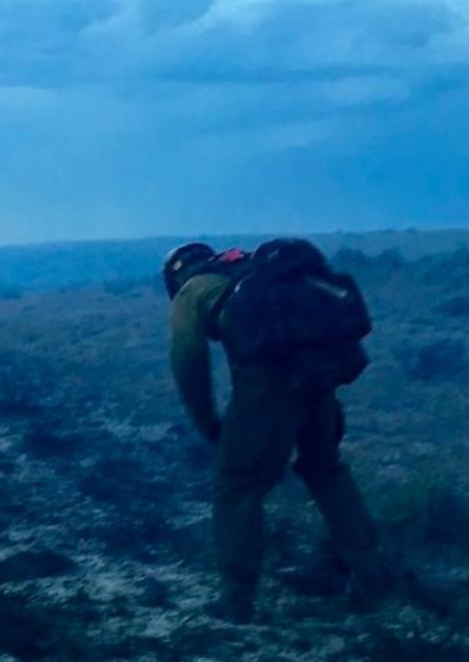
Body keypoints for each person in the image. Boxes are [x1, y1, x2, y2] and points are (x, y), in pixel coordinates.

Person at [164, 239, 390, 623]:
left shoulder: (193, 291)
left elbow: (188, 365)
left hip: (269, 388)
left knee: (237, 487)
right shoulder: (257, 270)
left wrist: (210, 426)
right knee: (325, 469)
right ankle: (373, 575)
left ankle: (236, 601)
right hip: (320, 379)